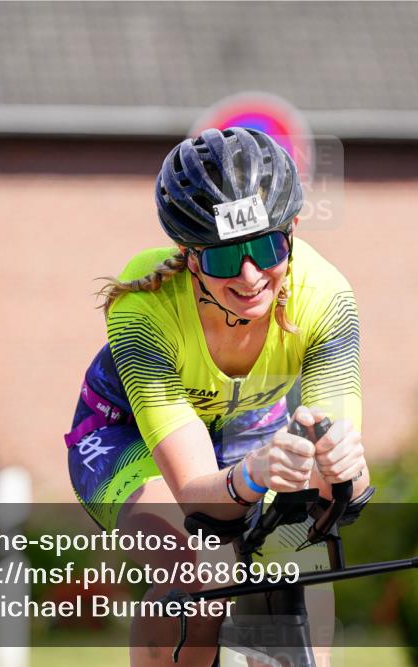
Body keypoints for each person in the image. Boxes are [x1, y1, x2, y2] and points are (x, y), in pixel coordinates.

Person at [65, 127, 369, 666]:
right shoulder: (146, 308)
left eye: (267, 247)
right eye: (226, 259)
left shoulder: (326, 298)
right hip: (126, 435)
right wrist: (252, 476)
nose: (250, 276)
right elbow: (197, 497)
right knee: (194, 572)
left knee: (297, 571)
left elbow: (342, 487)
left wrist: (346, 470)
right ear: (188, 254)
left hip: (251, 426)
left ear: (293, 230)